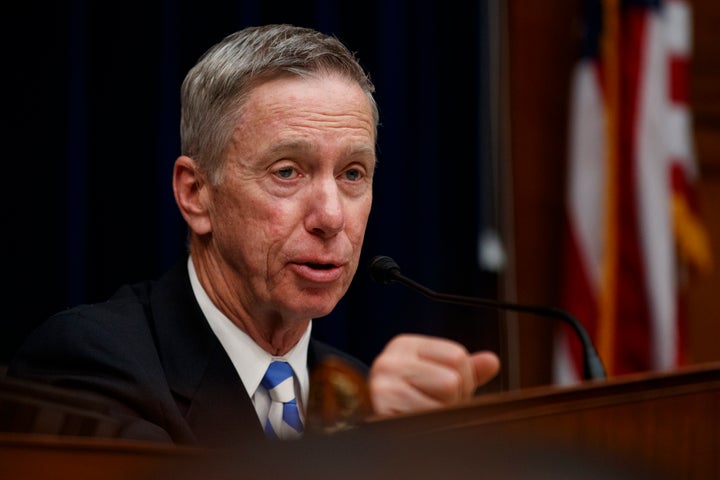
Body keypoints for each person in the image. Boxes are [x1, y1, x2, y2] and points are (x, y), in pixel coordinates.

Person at [8, 24, 500, 446]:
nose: (330, 216)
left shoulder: (361, 394)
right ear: (196, 193)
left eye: (352, 174)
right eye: (287, 172)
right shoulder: (91, 363)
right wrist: (360, 452)